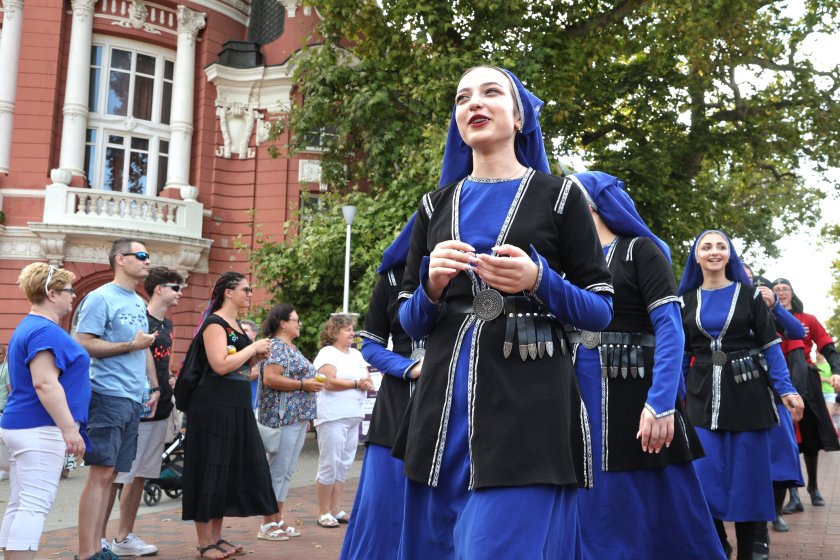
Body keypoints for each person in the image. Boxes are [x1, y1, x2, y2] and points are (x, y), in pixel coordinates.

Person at [394, 66, 613, 559]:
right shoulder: (433, 206)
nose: (474, 102)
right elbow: (408, 321)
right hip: (440, 412)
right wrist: (431, 286)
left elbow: (600, 308)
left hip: (528, 410)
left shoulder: (560, 196)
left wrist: (539, 280)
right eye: (462, 97)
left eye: (491, 92)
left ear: (519, 118)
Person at [567, 172, 723, 560]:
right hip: (576, 391)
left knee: (651, 506)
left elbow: (670, 328)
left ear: (590, 207)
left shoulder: (640, 251)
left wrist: (661, 402)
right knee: (585, 497)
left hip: (635, 391)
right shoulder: (568, 265)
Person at [678, 230, 804, 560]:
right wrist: (672, 399)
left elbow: (770, 346)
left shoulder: (749, 296)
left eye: (721, 246)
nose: (714, 252)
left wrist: (786, 388)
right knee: (702, 479)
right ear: (696, 257)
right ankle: (720, 543)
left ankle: (750, 550)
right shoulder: (684, 301)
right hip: (702, 397)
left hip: (749, 394)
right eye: (706, 247)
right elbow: (679, 354)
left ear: (730, 255)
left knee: (749, 482)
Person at [180, 271, 277, 559]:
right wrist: (252, 348)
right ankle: (204, 542)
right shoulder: (215, 323)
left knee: (226, 470)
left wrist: (254, 358)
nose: (250, 294)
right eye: (246, 289)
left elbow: (240, 370)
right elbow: (220, 365)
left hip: (235, 404)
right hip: (213, 406)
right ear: (228, 292)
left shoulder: (236, 326)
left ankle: (216, 537)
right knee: (210, 466)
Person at [75, 239, 161, 560]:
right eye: (142, 255)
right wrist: (130, 346)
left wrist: (151, 388)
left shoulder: (138, 300)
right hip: (107, 395)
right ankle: (88, 552)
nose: (147, 261)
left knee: (111, 476)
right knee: (100, 474)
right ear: (120, 259)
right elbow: (83, 342)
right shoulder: (100, 297)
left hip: (131, 399)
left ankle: (98, 547)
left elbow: (143, 348)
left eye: (148, 256)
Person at [340, 233, 423, 558]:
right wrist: (408, 368)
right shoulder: (392, 278)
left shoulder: (472, 270)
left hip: (456, 394)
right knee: (383, 500)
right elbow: (371, 344)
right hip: (399, 400)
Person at [0, 263, 89, 560]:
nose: (73, 295)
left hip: (25, 425)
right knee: (34, 504)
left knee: (21, 502)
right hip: (39, 427)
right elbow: (45, 383)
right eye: (69, 290)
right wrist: (70, 429)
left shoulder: (31, 326)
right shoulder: (44, 330)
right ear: (52, 294)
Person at [98, 267, 184, 556]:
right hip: (138, 407)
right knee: (117, 476)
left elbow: (163, 362)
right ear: (159, 289)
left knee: (139, 477)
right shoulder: (139, 318)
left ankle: (123, 537)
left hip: (160, 408)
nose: (180, 293)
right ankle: (98, 538)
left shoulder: (168, 325)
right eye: (175, 287)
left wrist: (168, 381)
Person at [745, 272, 805, 558]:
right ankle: (751, 529)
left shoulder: (773, 312)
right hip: (739, 392)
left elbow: (797, 332)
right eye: (748, 280)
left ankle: (775, 513)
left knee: (779, 459)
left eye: (761, 285)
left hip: (774, 393)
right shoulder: (731, 305)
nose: (755, 288)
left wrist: (776, 306)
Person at [772, 278, 840, 513]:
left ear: (792, 293)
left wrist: (836, 371)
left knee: (810, 440)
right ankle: (793, 496)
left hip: (807, 382)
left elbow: (827, 346)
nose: (781, 293)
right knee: (788, 439)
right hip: (778, 381)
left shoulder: (807, 319)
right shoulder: (766, 319)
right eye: (777, 290)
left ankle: (813, 486)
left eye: (785, 289)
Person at [255, 304, 322, 541]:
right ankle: (267, 523)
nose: (300, 324)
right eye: (296, 320)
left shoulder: (290, 347)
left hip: (297, 417)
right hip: (283, 417)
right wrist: (303, 385)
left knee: (286, 471)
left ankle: (277, 518)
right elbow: (270, 378)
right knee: (278, 470)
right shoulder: (276, 347)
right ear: (283, 323)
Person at [312, 315, 372, 529]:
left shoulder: (356, 354)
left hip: (353, 415)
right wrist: (356, 383)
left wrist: (366, 382)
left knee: (344, 463)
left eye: (352, 329)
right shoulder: (327, 353)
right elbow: (328, 382)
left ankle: (336, 509)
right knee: (330, 462)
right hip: (332, 416)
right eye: (347, 329)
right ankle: (323, 511)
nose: (352, 333)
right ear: (334, 332)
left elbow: (366, 377)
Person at [240, 320, 261, 413]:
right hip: (238, 404)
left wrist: (238, 373)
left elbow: (255, 372)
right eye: (240, 330)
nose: (242, 333)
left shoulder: (261, 351)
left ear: (254, 334)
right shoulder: (236, 350)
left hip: (255, 406)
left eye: (245, 330)